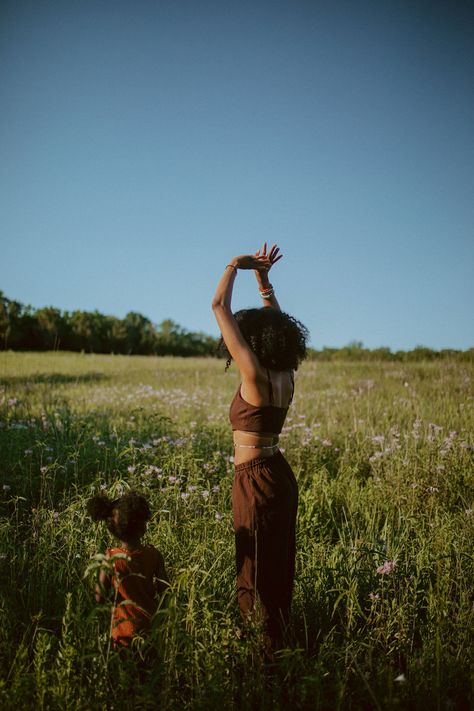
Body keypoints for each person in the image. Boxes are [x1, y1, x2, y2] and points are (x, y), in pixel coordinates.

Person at [212, 243, 308, 653]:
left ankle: (259, 652)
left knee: (251, 565)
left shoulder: (253, 374)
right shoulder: (285, 372)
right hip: (278, 475)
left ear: (253, 342)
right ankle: (276, 639)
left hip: (255, 481)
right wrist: (264, 282)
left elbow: (219, 306)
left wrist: (236, 264)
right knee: (276, 565)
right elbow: (279, 324)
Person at [87, 490, 168, 648]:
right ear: (143, 527)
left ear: (113, 530)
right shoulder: (154, 555)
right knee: (149, 670)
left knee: (124, 671)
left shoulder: (111, 558)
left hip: (122, 633)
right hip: (151, 630)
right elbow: (166, 591)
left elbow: (99, 597)